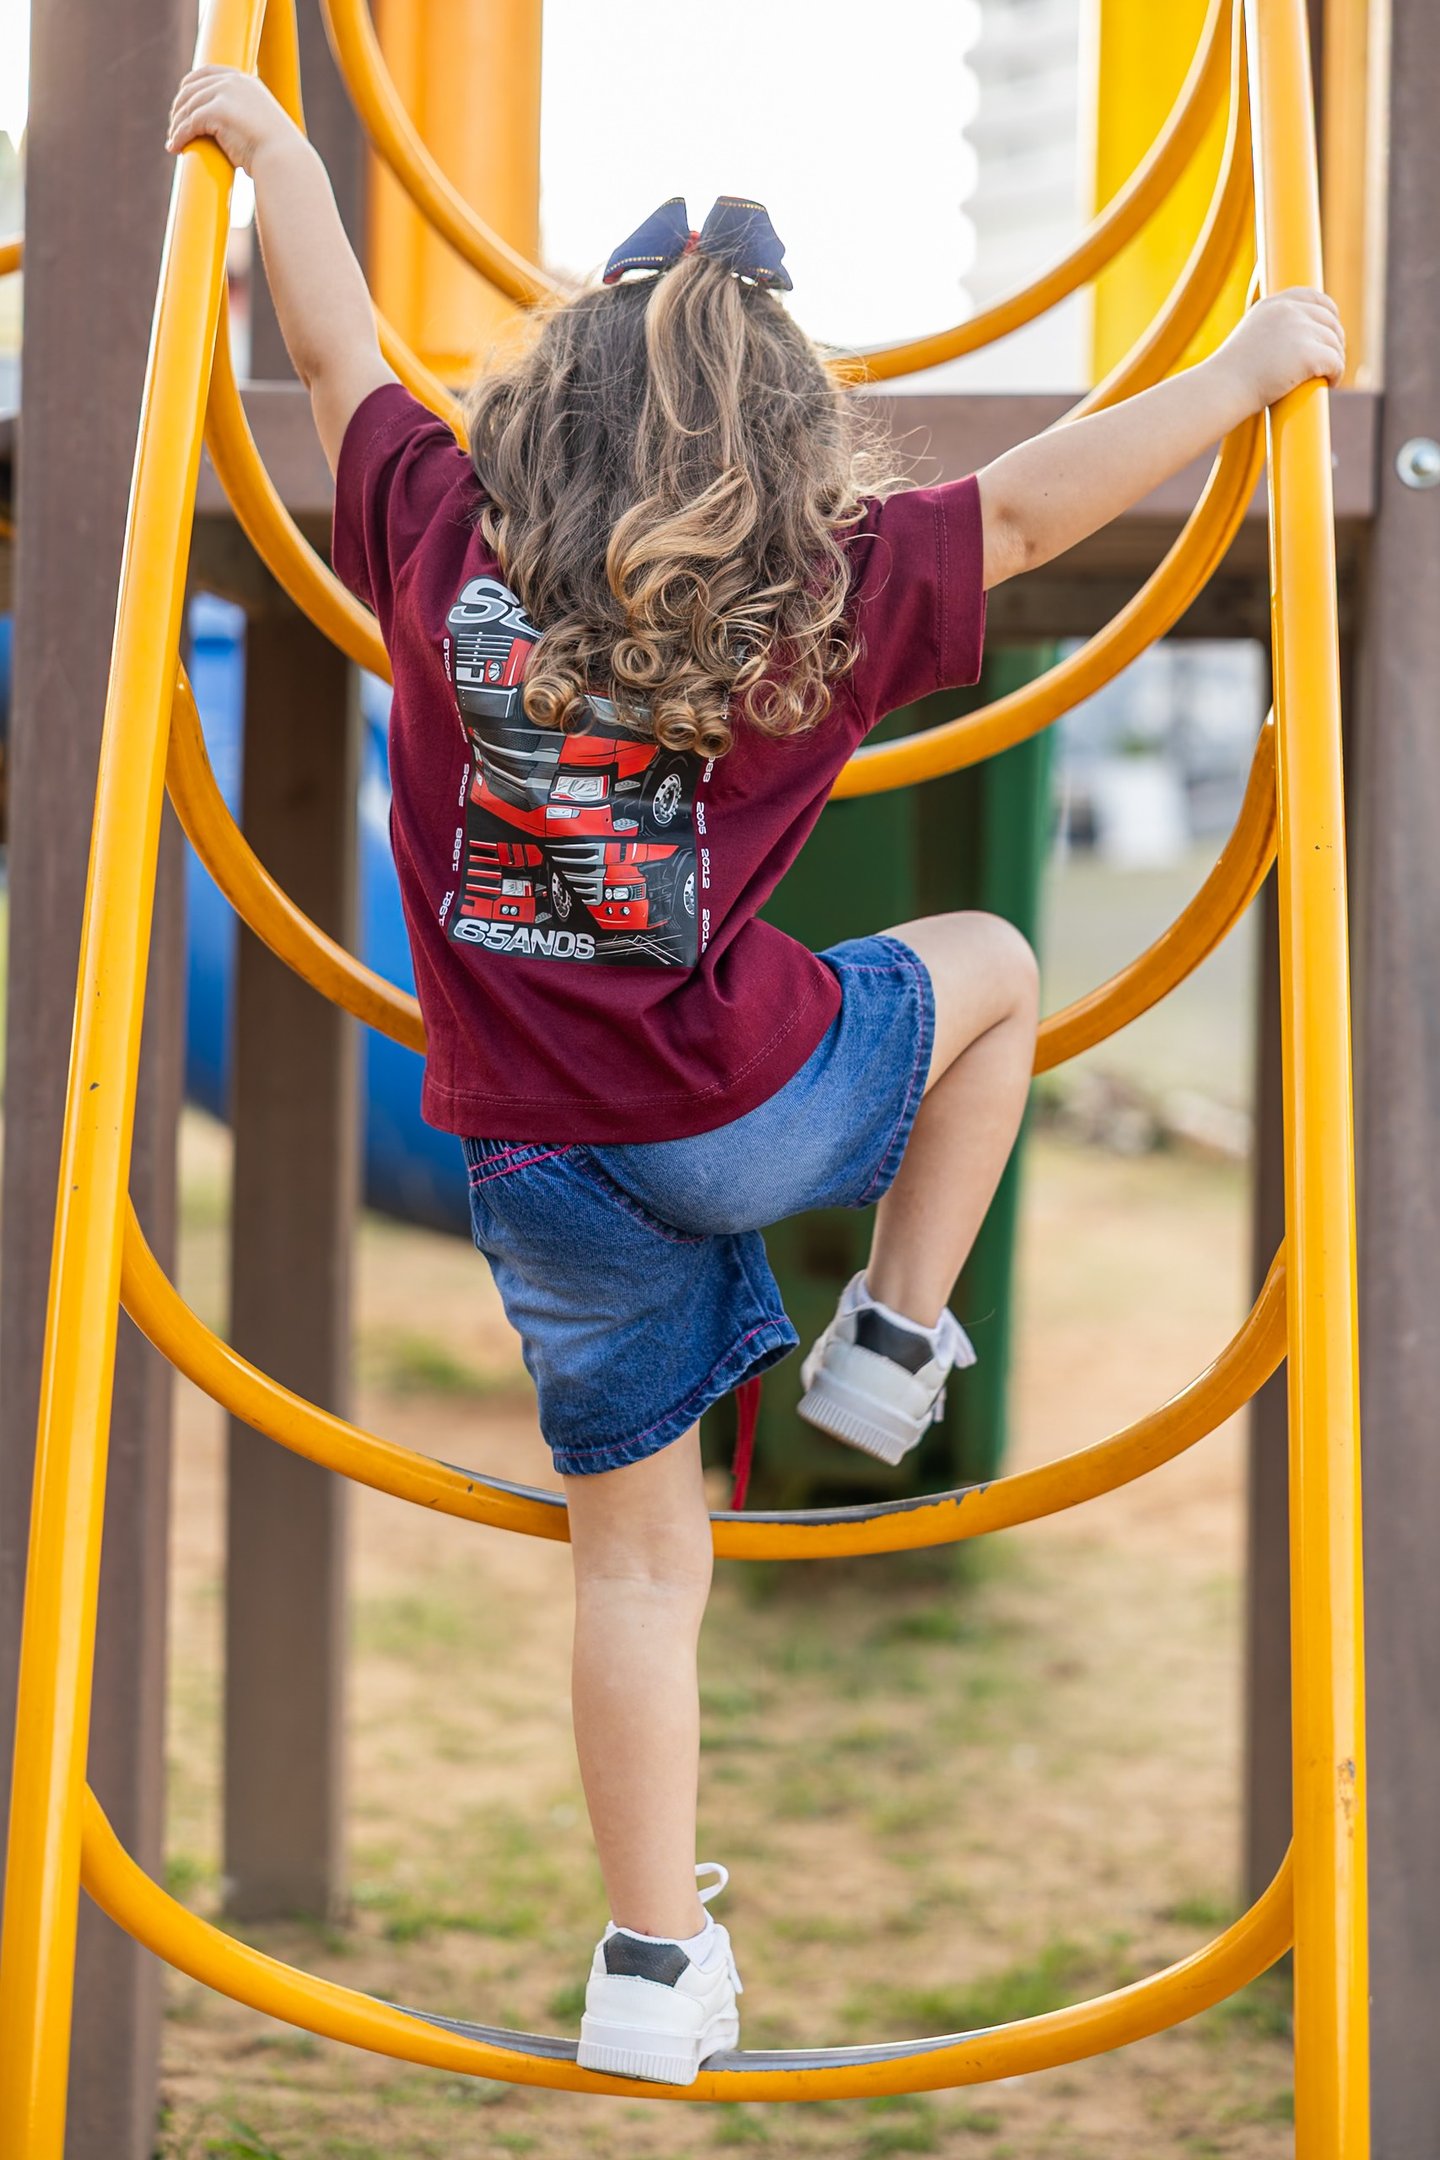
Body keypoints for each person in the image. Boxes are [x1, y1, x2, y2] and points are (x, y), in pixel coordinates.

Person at [167, 66, 1344, 2087]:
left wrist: (281, 155)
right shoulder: (828, 589)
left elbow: (347, 353)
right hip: (740, 1102)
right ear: (794, 445)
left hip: (535, 1165)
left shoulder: (436, 534)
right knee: (991, 968)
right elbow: (1039, 505)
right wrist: (1241, 372)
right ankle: (890, 1337)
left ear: (539, 415)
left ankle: (649, 1962)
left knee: (634, 1569)